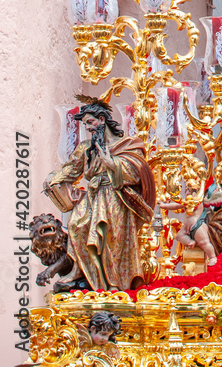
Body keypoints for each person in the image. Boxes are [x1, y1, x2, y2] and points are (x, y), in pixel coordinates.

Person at [43, 95, 156, 291]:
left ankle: (113, 283)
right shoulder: (87, 148)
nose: (88, 128)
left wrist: (113, 164)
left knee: (110, 238)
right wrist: (54, 178)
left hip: (116, 197)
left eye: (90, 122)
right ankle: (79, 271)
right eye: (86, 124)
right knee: (77, 226)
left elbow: (139, 173)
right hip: (94, 195)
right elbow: (71, 169)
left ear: (102, 120)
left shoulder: (126, 144)